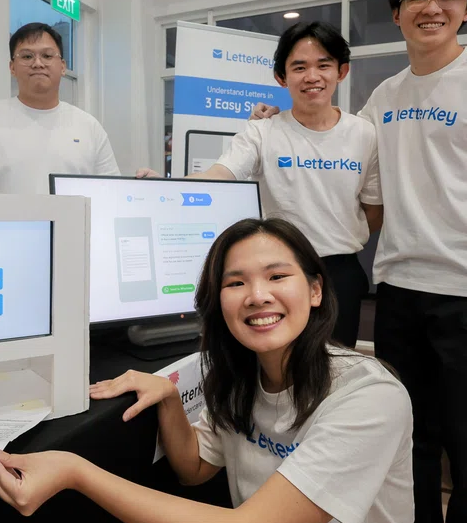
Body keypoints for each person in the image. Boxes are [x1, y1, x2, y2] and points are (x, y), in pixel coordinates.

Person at [252, 0, 467, 523]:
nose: (430, 6)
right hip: (398, 290)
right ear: (396, 15)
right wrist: (278, 120)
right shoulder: (384, 97)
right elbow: (335, 138)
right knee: (408, 436)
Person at [0, 218, 419, 523]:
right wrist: (171, 398)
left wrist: (76, 472)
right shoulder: (243, 377)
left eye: (277, 276)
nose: (257, 295)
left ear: (315, 290)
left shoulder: (368, 397)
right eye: (236, 282)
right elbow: (193, 470)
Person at [138, 22, 382, 348]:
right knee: (276, 361)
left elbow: (373, 210)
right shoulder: (263, 131)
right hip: (277, 269)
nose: (312, 76)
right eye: (299, 67)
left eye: (324, 65)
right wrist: (164, 186)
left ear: (342, 71)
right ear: (282, 77)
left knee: (337, 366)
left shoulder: (364, 134)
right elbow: (221, 174)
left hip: (341, 273)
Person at [0, 23, 120, 194]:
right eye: (27, 56)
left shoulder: (89, 127)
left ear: (62, 66)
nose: (38, 63)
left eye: (47, 55)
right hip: (6, 222)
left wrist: (145, 187)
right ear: (12, 67)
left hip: (73, 223)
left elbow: (111, 194)